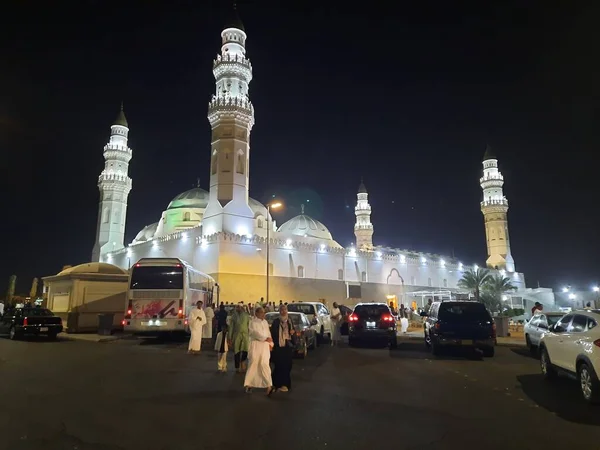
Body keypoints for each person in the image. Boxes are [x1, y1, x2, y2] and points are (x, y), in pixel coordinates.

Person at [244, 307, 274, 395]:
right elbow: (254, 333)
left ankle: (269, 386)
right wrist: (265, 338)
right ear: (256, 313)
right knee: (253, 364)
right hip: (256, 346)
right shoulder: (252, 322)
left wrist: (271, 343)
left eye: (264, 313)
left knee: (264, 365)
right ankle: (249, 384)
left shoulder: (265, 322)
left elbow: (268, 333)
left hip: (264, 347)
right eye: (261, 312)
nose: (263, 314)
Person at [270, 304, 295, 392]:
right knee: (279, 366)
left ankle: (285, 385)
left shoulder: (290, 321)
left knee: (287, 366)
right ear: (279, 311)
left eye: (285, 310)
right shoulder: (276, 322)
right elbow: (273, 334)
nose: (283, 312)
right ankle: (276, 384)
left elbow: (293, 333)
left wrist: (292, 333)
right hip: (278, 347)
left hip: (287, 346)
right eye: (282, 310)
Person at [228, 303, 250, 373]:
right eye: (237, 307)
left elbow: (249, 326)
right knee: (236, 351)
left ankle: (242, 362)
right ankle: (237, 367)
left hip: (245, 335)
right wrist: (229, 338)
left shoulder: (246, 316)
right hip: (236, 335)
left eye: (240, 307)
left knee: (245, 350)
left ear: (242, 308)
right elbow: (231, 327)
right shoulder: (234, 316)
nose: (238, 308)